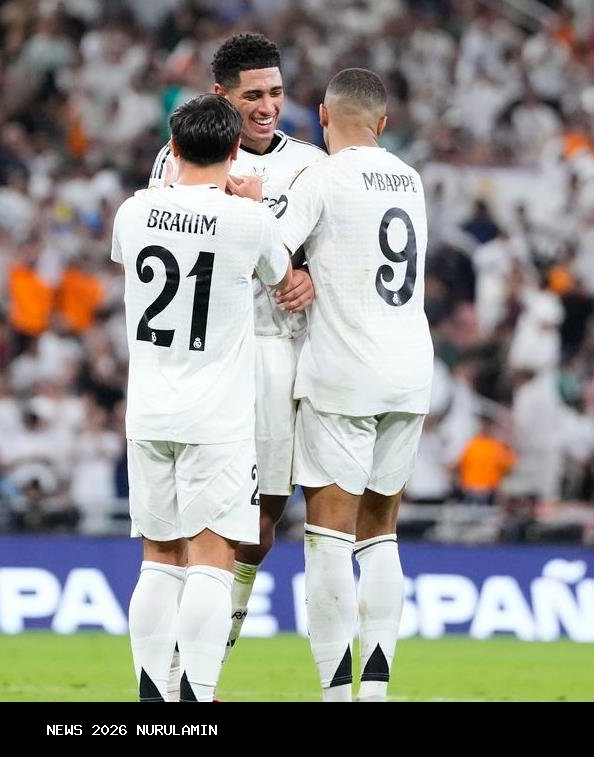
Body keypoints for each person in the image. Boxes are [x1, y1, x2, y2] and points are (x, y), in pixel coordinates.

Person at [234, 68, 433, 702]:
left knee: (328, 539)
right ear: (382, 123)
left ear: (323, 117)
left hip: (345, 372)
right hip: (411, 371)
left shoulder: (321, 176)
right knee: (381, 534)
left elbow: (270, 252)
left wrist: (251, 210)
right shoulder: (410, 179)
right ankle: (374, 693)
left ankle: (335, 692)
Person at [115, 93, 303, 702]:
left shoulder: (132, 212)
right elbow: (282, 278)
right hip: (217, 417)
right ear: (234, 150)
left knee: (158, 558)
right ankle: (195, 699)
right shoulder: (248, 220)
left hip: (148, 411)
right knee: (211, 560)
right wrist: (253, 202)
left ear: (172, 148)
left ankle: (153, 701)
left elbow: (137, 253)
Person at [149, 32, 324, 678]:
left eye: (276, 92)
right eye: (253, 96)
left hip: (274, 352)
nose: (268, 106)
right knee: (187, 529)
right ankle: (175, 679)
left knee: (259, 526)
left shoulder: (310, 164)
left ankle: (201, 672)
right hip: (205, 355)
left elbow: (333, 251)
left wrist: (314, 276)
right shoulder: (178, 159)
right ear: (221, 95)